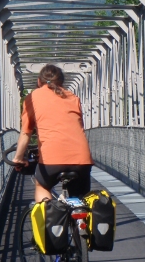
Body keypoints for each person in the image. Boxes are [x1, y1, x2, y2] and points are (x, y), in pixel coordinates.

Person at [13, 64, 94, 202]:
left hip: (52, 159)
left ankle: (49, 220)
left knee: (42, 186)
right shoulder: (73, 97)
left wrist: (18, 158)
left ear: (39, 81)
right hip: (82, 159)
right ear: (62, 81)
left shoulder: (33, 98)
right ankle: (80, 219)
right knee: (80, 198)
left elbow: (26, 133)